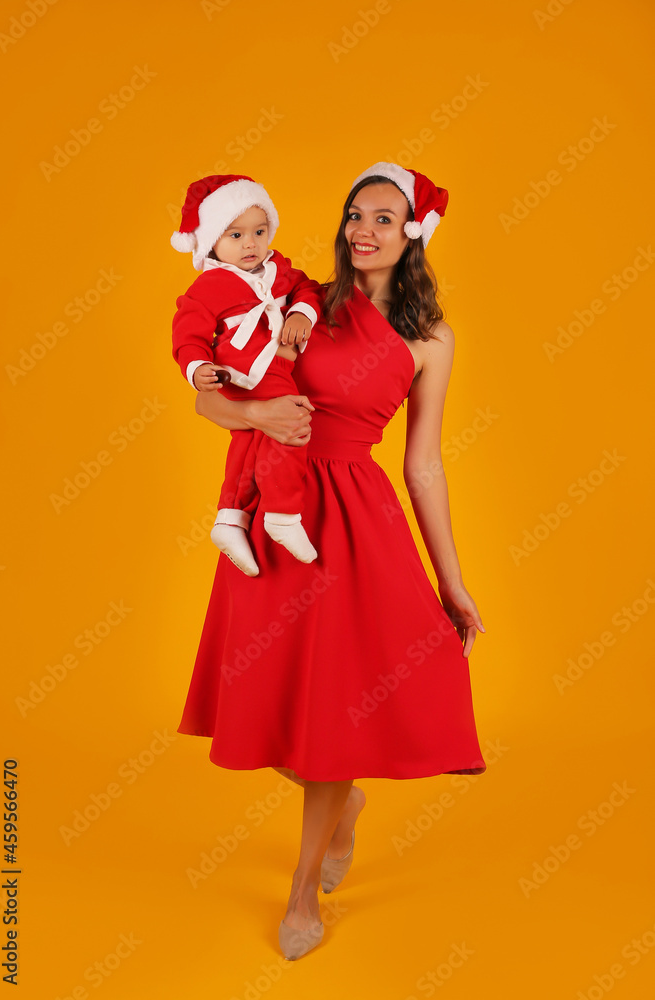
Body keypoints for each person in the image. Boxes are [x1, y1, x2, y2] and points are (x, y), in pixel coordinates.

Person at [176, 161, 488, 961]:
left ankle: (301, 891)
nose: (363, 229)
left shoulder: (431, 340)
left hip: (355, 522)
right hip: (272, 507)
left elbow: (423, 465)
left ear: (413, 232)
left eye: (384, 217)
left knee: (330, 714)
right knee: (266, 704)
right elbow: (209, 398)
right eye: (355, 214)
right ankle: (344, 804)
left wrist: (451, 583)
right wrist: (254, 410)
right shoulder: (295, 300)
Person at [171, 174, 323, 576]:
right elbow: (188, 334)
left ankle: (229, 519)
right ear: (212, 243)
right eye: (235, 235)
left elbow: (308, 288)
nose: (250, 243)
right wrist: (198, 368)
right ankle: (283, 514)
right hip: (239, 374)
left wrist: (300, 313)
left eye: (259, 231)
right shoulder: (209, 286)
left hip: (271, 367)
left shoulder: (279, 270)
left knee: (249, 445)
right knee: (290, 424)